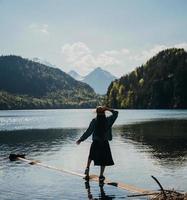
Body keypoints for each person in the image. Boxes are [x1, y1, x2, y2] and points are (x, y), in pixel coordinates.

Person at [76, 106, 118, 183]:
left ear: (97, 113)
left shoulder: (94, 121)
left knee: (91, 156)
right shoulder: (108, 120)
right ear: (104, 112)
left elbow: (88, 131)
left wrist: (81, 139)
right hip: (104, 142)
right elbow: (116, 113)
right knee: (104, 160)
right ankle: (101, 176)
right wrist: (108, 109)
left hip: (95, 142)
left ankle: (87, 168)